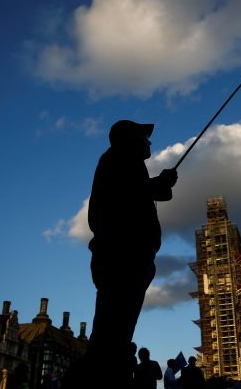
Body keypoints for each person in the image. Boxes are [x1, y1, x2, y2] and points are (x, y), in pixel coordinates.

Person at [84, 120, 178, 384]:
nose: (149, 142)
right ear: (129, 140)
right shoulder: (118, 159)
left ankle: (106, 369)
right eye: (143, 137)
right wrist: (159, 182)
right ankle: (102, 374)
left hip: (132, 256)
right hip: (122, 257)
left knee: (118, 326)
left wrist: (161, 183)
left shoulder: (127, 164)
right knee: (113, 326)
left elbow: (143, 193)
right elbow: (130, 193)